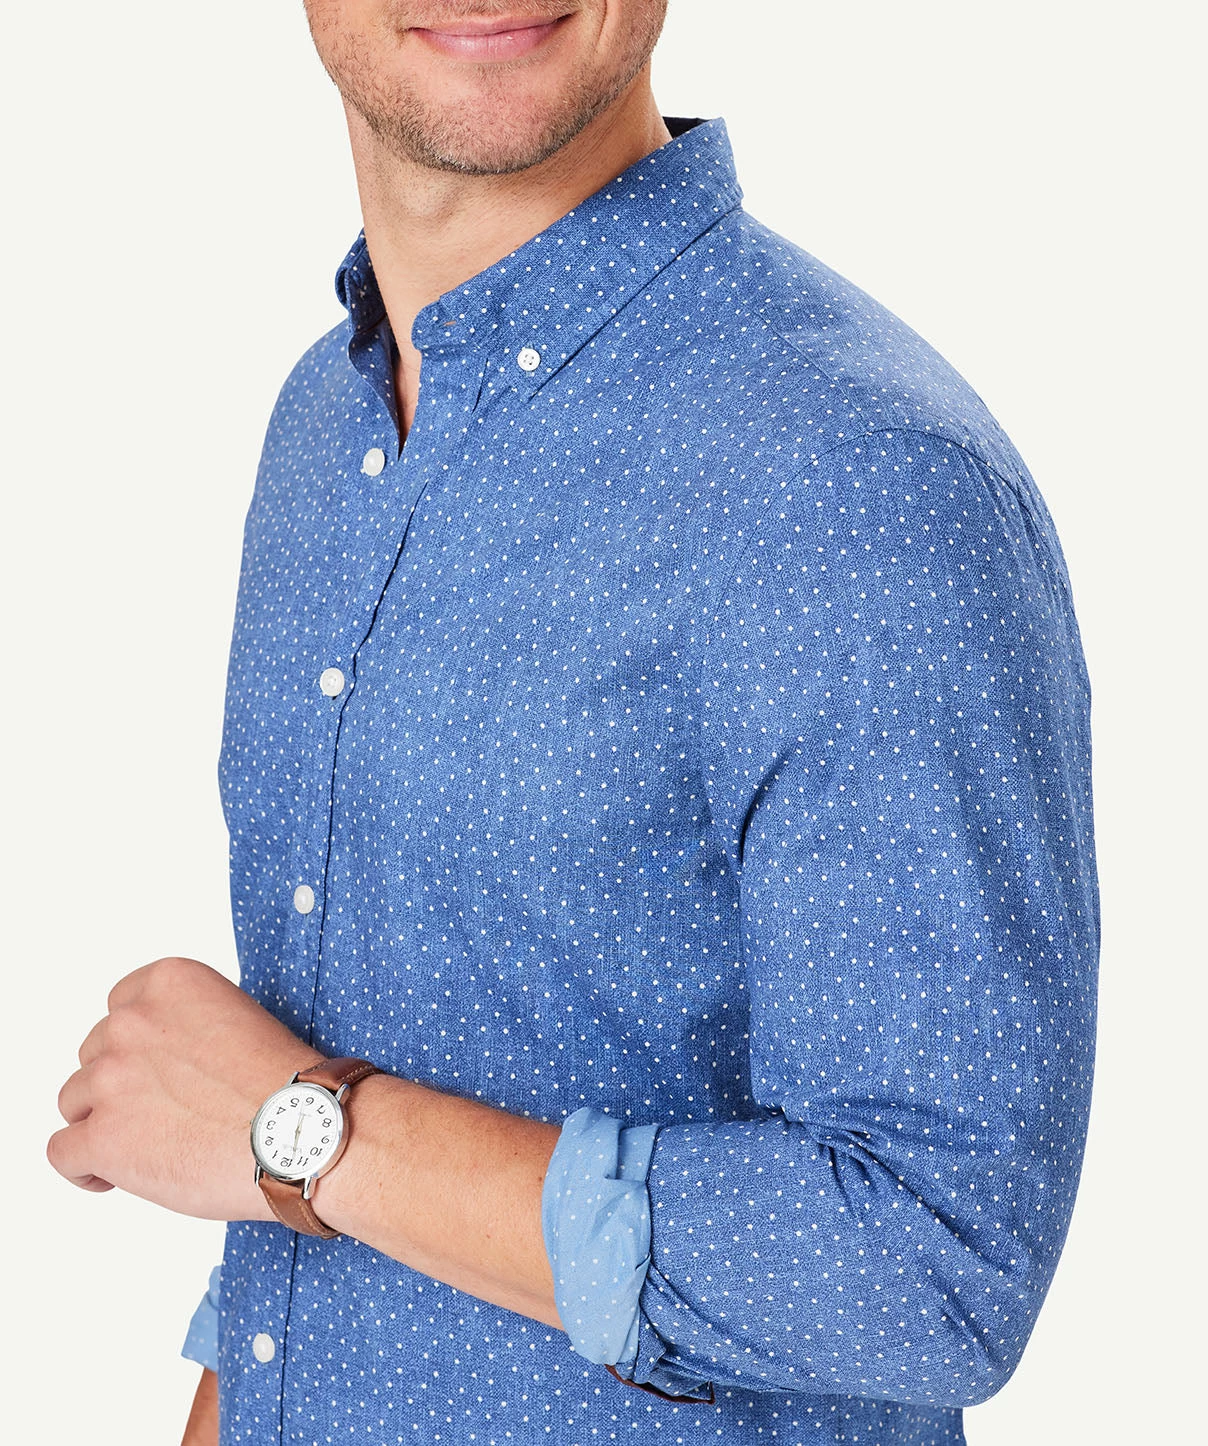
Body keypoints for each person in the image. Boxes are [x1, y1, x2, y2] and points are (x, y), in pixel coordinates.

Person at [47, 3, 1099, 1443]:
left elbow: (932, 1269)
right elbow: (306, 1206)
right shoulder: (327, 422)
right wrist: (286, 1160)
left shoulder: (860, 483)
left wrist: (308, 1128)